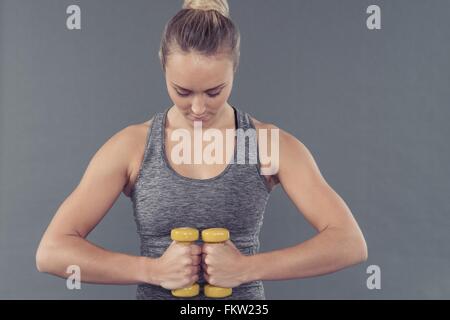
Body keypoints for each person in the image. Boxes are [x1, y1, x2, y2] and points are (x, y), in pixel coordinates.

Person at [36, 0, 368, 300]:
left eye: (214, 92)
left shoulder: (265, 143)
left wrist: (247, 268)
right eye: (182, 91)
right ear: (163, 67)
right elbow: (52, 251)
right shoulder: (133, 146)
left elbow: (349, 243)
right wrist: (151, 270)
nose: (197, 108)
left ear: (234, 69)